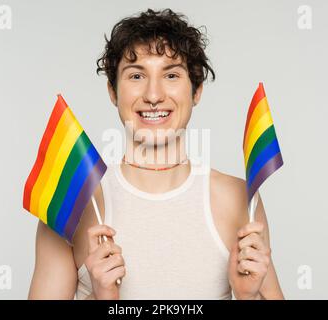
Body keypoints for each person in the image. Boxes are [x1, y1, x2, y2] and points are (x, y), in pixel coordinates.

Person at [28, 8, 284, 300]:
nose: (153, 95)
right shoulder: (71, 200)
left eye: (171, 75)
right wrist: (101, 299)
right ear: (113, 91)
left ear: (196, 90)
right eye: (136, 75)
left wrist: (246, 296)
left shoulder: (239, 199)